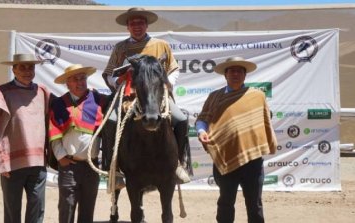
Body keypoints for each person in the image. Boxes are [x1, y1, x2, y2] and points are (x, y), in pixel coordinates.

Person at [101, 7, 191, 184]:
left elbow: (173, 69)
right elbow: (109, 74)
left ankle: (178, 164)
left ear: (147, 25)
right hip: (128, 97)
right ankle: (114, 169)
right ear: (127, 26)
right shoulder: (120, 48)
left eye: (140, 22)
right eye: (133, 23)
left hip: (156, 97)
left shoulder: (161, 45)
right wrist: (118, 82)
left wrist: (166, 83)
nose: (137, 26)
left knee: (181, 120)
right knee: (110, 121)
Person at [195, 56, 277, 223]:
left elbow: (264, 119)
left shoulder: (257, 96)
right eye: (231, 71)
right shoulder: (215, 97)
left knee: (254, 203)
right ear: (225, 75)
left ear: (245, 75)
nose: (235, 74)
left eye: (239, 71)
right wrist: (201, 131)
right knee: (225, 202)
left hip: (252, 160)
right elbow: (202, 119)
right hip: (225, 158)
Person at [0, 53, 49, 223]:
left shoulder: (43, 92)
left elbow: (49, 122)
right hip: (12, 163)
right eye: (22, 67)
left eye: (30, 67)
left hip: (38, 162)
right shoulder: (1, 93)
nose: (27, 71)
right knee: (12, 210)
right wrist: (0, 160)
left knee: (37, 208)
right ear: (13, 69)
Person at [49, 64, 108, 223]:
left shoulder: (99, 100)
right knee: (66, 207)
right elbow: (54, 134)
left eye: (83, 78)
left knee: (88, 210)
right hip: (69, 166)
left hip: (91, 166)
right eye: (75, 79)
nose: (80, 82)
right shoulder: (60, 104)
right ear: (67, 83)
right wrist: (61, 158)